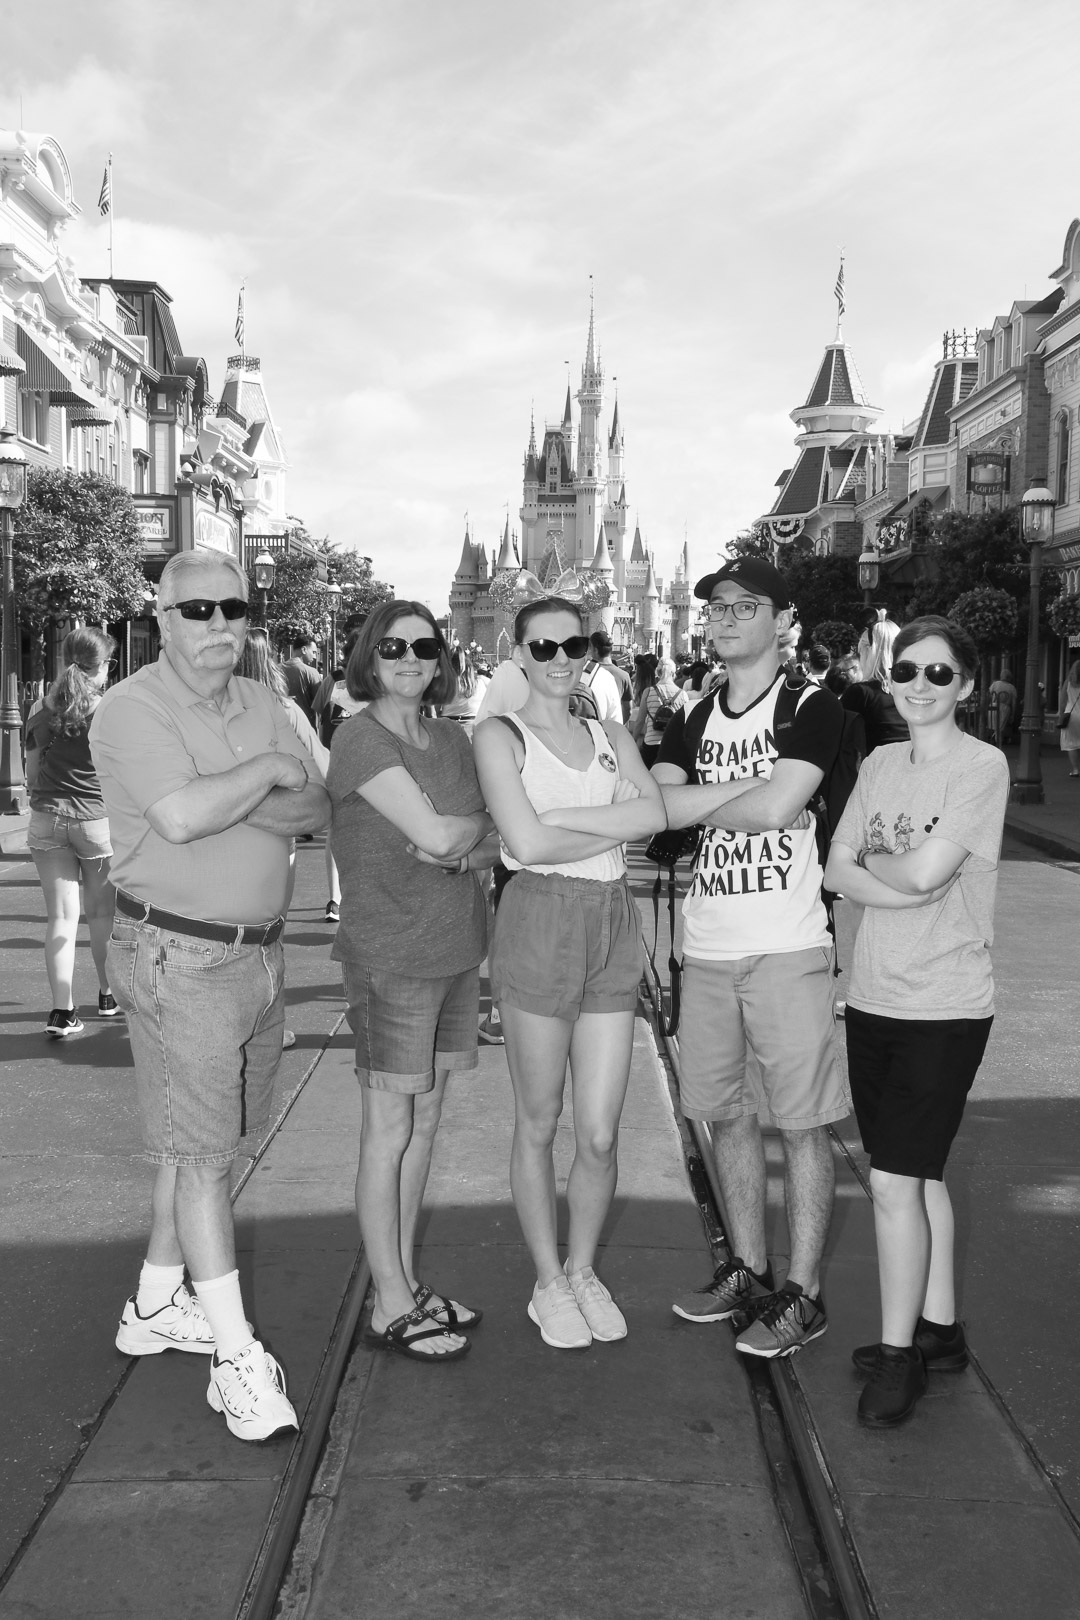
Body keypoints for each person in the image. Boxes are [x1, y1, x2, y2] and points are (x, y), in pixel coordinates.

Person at [89, 550, 330, 1442]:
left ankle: (154, 1303)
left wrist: (243, 784)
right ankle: (237, 1361)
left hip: (261, 957)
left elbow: (323, 809)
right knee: (203, 1156)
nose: (220, 624)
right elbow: (182, 818)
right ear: (160, 616)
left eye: (235, 608)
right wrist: (269, 773)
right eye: (198, 610)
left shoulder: (265, 703)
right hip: (177, 954)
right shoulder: (131, 708)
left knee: (206, 1142)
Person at [653, 557, 849, 1360]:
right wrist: (735, 801)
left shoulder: (812, 706)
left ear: (782, 619)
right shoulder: (692, 716)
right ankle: (748, 1266)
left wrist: (700, 806)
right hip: (706, 947)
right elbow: (659, 810)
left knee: (801, 1126)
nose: (725, 618)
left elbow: (779, 806)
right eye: (717, 608)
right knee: (724, 1115)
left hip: (788, 945)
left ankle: (803, 1295)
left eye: (745, 606)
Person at [824, 616, 1009, 1428]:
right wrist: (885, 871)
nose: (922, 686)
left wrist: (877, 867)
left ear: (965, 685)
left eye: (940, 674)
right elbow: (835, 866)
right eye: (909, 671)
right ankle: (939, 1332)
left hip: (944, 1004)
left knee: (895, 1181)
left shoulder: (983, 766)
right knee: (919, 1172)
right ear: (889, 677)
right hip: (873, 996)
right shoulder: (877, 761)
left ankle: (898, 1356)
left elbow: (934, 876)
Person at [474, 596, 666, 1350]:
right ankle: (547, 1280)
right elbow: (521, 842)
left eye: (574, 645)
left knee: (599, 1130)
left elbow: (651, 820)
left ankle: (583, 1270)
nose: (560, 660)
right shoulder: (499, 736)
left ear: (592, 648)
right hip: (539, 920)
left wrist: (558, 825)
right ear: (518, 654)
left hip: (611, 920)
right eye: (543, 648)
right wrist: (596, 821)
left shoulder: (613, 732)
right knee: (540, 1119)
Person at [327, 601, 498, 1362]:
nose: (408, 658)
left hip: (458, 948)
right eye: (392, 646)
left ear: (440, 659)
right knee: (389, 1130)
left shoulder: (449, 737)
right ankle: (388, 1301)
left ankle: (405, 1280)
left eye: (423, 647)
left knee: (425, 1125)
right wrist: (463, 834)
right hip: (391, 955)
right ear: (371, 654)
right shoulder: (359, 738)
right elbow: (443, 829)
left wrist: (462, 845)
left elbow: (491, 837)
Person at [25, 627, 120, 1037]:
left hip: (46, 817)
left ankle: (62, 1012)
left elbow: (31, 773)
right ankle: (106, 994)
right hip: (95, 819)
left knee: (61, 918)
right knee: (102, 915)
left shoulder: (38, 709)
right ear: (100, 666)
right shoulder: (108, 710)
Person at [237, 629, 331, 1030]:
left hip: (217, 832)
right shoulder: (285, 710)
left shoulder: (202, 709)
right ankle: (267, 1019)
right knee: (268, 931)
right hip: (276, 832)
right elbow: (321, 766)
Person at [842, 611, 909, 753]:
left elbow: (836, 738)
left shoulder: (860, 694)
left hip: (879, 771)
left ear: (869, 651)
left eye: (860, 653)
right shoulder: (915, 690)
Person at [631, 656, 682, 767]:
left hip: (651, 743)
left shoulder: (649, 691)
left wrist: (633, 740)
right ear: (673, 674)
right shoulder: (682, 694)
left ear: (658, 673)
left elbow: (640, 721)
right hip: (673, 745)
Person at [440, 647, 490, 738]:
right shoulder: (482, 681)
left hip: (448, 725)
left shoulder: (443, 683)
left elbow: (434, 709)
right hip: (473, 726)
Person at [281, 633, 322, 730]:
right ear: (304, 650)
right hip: (305, 728)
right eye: (314, 652)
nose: (315, 656)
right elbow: (320, 704)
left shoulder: (276, 670)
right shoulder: (311, 673)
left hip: (282, 727)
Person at [590, 629, 632, 722]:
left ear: (595, 650)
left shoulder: (587, 673)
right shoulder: (624, 676)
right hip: (612, 727)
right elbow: (628, 710)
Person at [1056, 658, 1080, 775]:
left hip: (1070, 716)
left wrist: (1061, 714)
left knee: (1072, 744)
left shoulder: (1068, 682)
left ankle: (1076, 769)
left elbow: (1063, 701)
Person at [987, 665, 1018, 748]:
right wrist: (1012, 715)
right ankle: (998, 744)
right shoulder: (1012, 688)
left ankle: (994, 741)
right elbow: (1014, 703)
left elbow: (989, 696)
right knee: (1000, 728)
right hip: (1005, 708)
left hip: (993, 706)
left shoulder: (995, 684)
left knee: (994, 727)